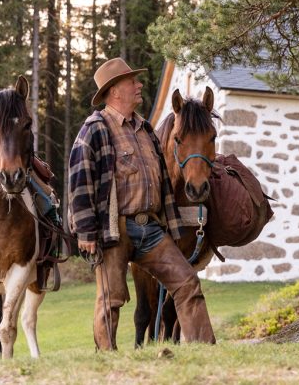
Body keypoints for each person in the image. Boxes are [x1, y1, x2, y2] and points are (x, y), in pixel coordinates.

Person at [68, 57, 215, 350]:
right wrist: (85, 232)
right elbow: (79, 179)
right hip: (115, 230)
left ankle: (204, 351)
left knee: (187, 283)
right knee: (111, 299)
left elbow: (163, 180)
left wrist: (172, 224)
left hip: (151, 229)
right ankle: (107, 362)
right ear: (114, 92)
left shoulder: (146, 130)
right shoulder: (95, 128)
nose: (139, 85)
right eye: (131, 82)